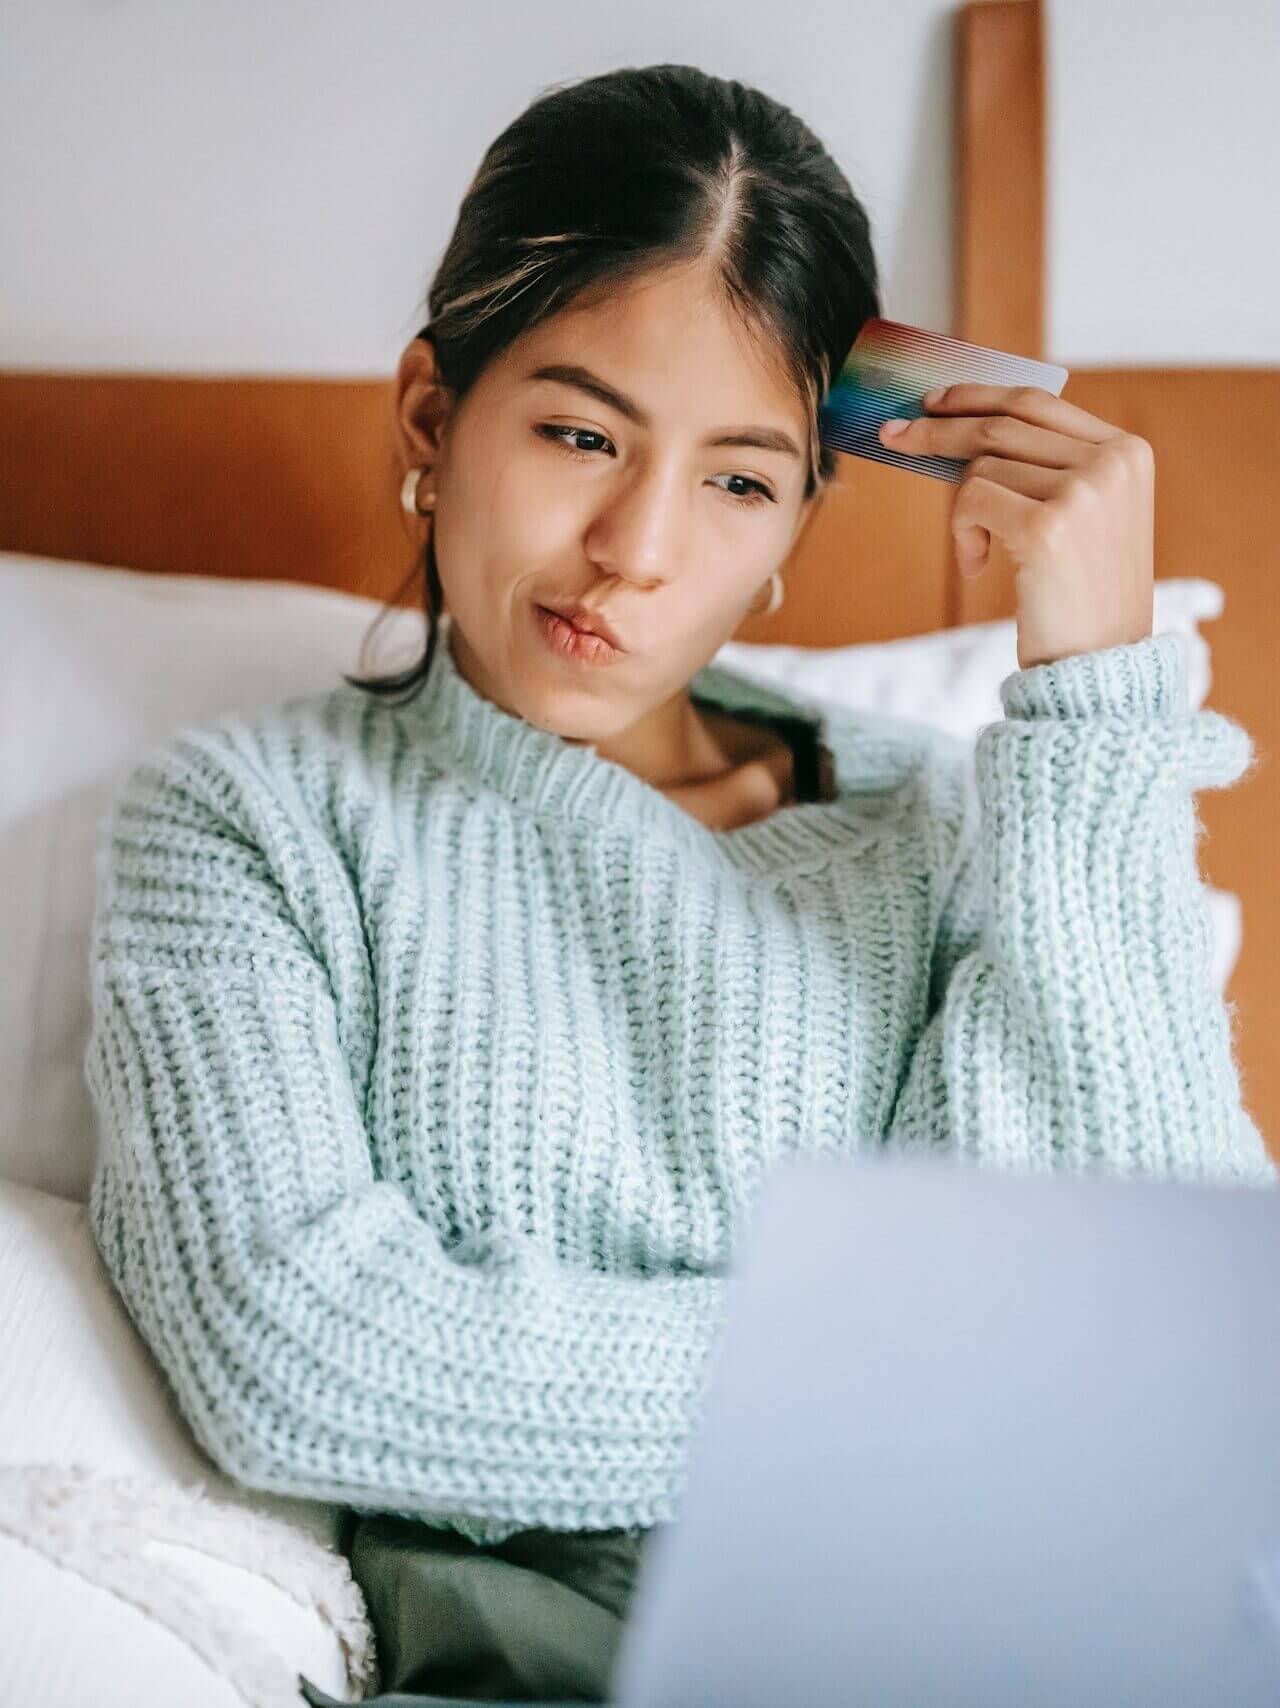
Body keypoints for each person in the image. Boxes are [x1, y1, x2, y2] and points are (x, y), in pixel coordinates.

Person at [82, 61, 1276, 1708]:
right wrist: (932, 1381)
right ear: (434, 417)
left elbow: (1156, 1320)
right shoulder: (252, 824)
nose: (637, 547)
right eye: (581, 433)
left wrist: (1095, 694)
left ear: (797, 513)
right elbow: (302, 1355)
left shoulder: (956, 822)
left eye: (735, 477)